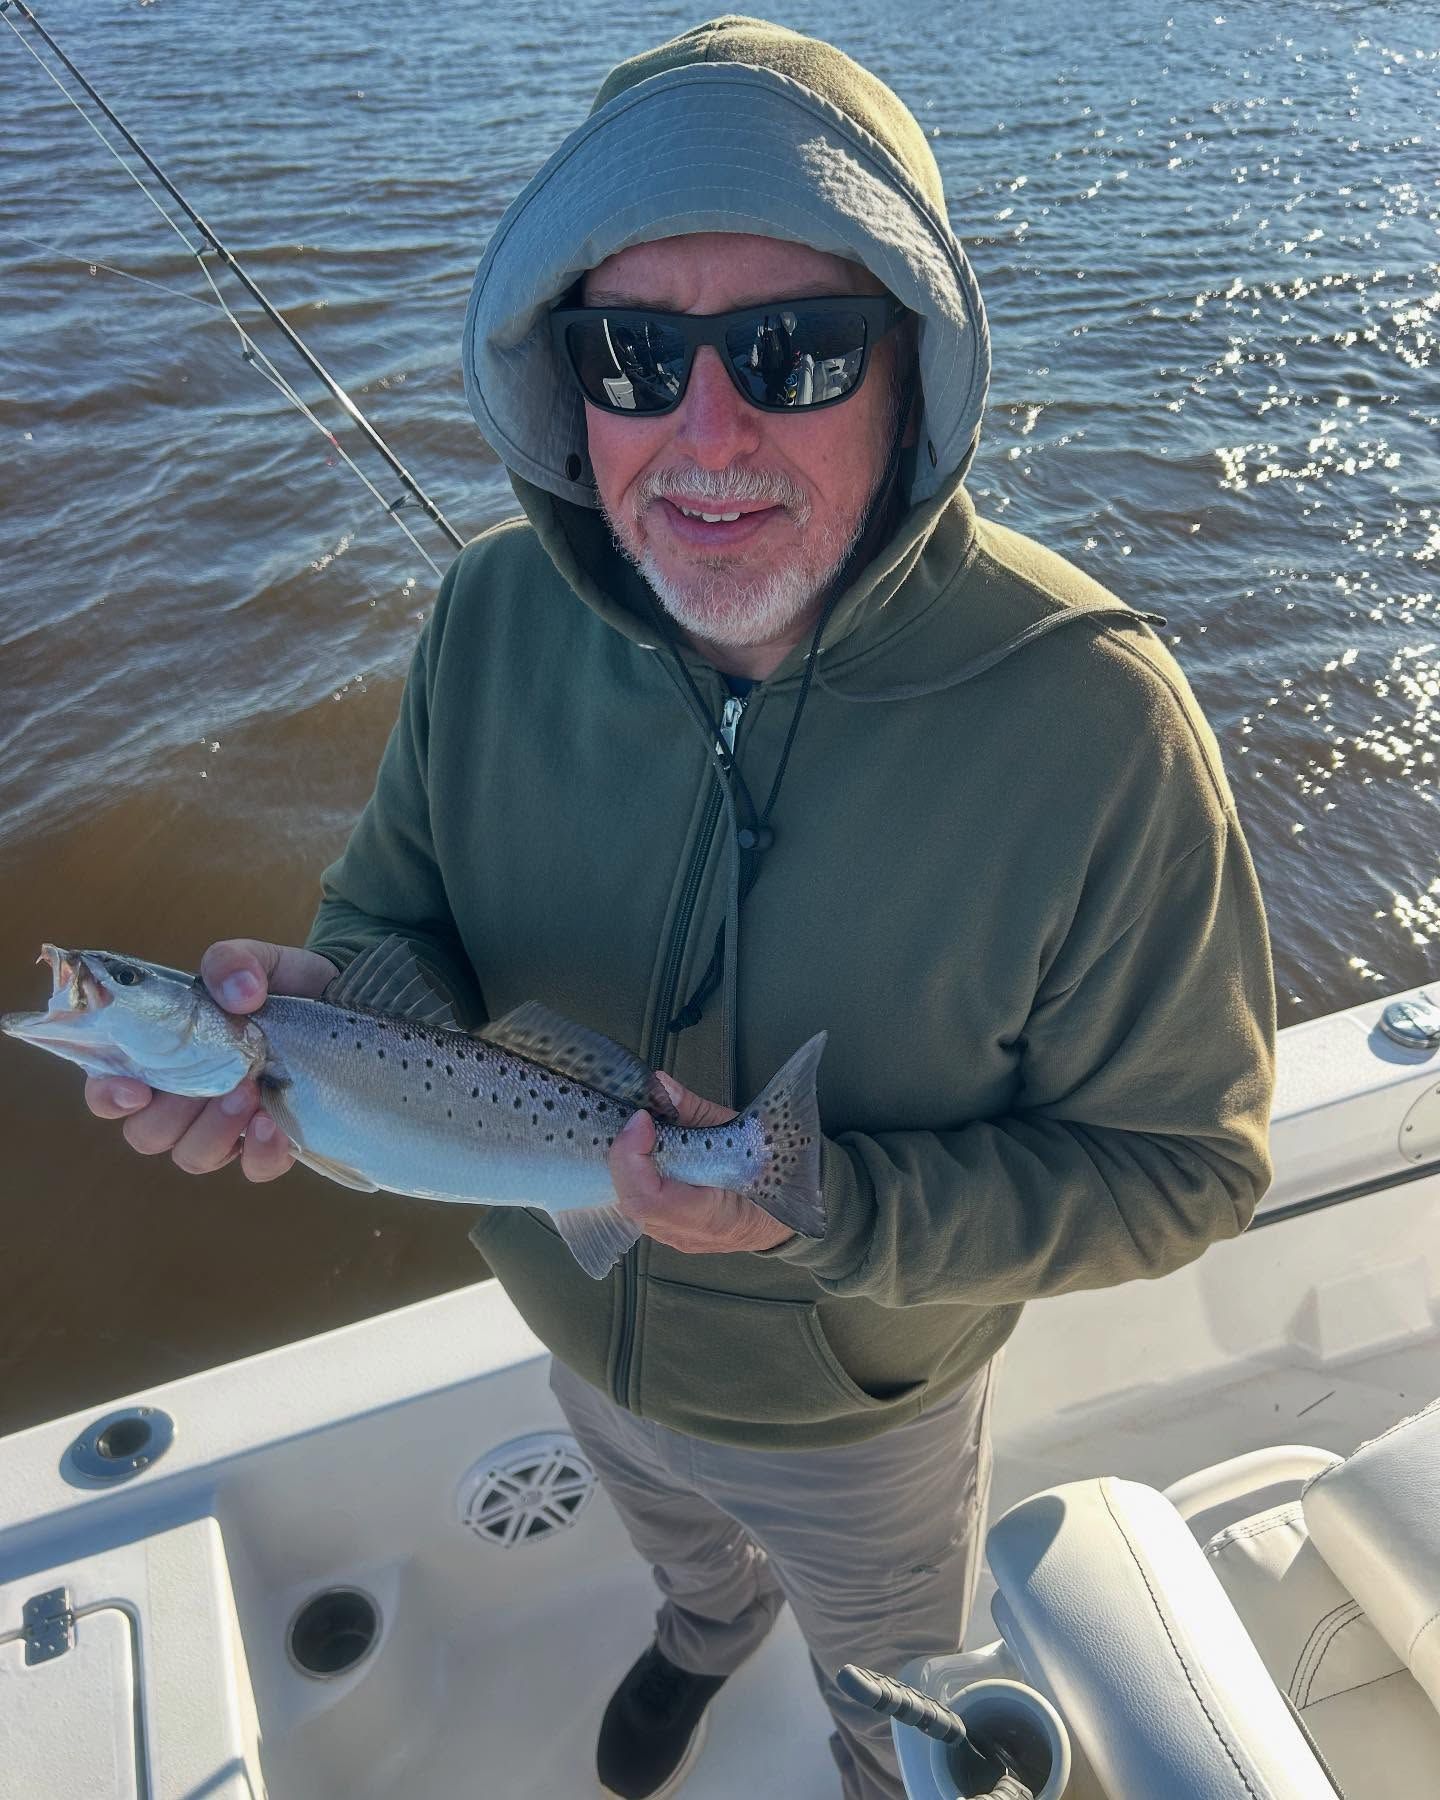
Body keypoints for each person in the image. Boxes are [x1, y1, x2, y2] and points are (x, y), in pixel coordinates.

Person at [84, 18, 1276, 1800]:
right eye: (633, 353)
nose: (703, 432)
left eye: (796, 351)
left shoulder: (1098, 724)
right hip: (571, 1322)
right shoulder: (491, 614)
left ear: (916, 371)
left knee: (895, 1682)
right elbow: (399, 915)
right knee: (670, 1536)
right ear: (568, 381)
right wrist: (335, 1004)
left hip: (854, 1411)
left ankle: (876, 1753)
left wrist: (825, 1214)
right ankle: (699, 1635)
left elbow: (1189, 1167)